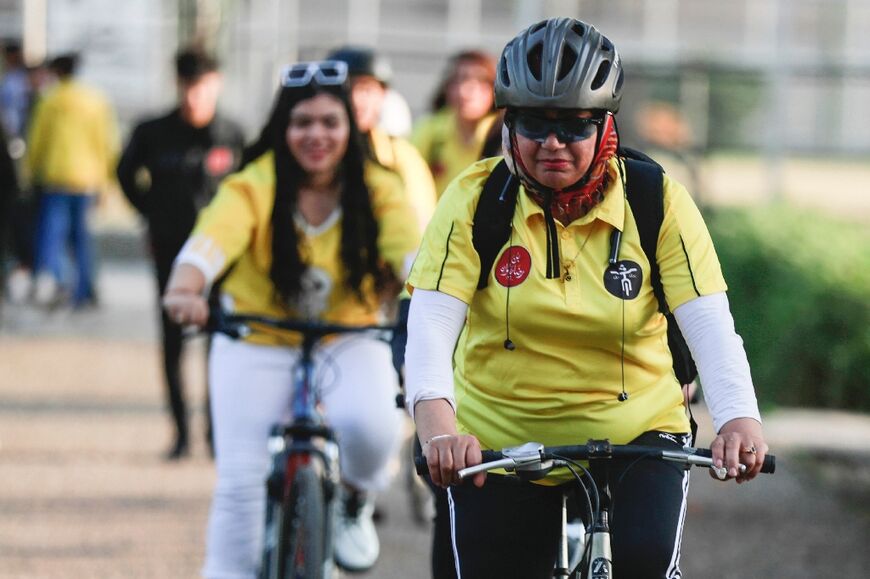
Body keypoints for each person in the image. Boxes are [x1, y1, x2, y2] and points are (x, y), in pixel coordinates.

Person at [404, 18, 768, 579]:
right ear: (508, 124)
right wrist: (438, 430)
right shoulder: (473, 200)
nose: (552, 144)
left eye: (574, 127)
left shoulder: (656, 198)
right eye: (533, 123)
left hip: (636, 430)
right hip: (501, 436)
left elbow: (710, 325)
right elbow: (429, 326)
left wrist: (739, 418)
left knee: (644, 564)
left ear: (605, 127)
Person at [162, 60, 420, 577]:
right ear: (282, 129)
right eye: (302, 122)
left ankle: (351, 502)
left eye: (331, 122)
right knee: (239, 484)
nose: (316, 135)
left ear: (352, 127)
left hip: (351, 332)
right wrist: (185, 288)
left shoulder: (379, 187)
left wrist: (433, 298)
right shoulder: (252, 184)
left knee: (373, 432)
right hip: (256, 336)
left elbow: (412, 255)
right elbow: (208, 244)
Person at [116, 49, 244, 461]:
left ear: (217, 84)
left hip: (223, 258)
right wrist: (149, 211)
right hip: (170, 252)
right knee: (172, 342)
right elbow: (123, 172)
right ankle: (181, 435)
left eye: (202, 85)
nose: (195, 95)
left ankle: (214, 434)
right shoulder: (153, 131)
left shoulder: (232, 134)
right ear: (178, 85)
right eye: (188, 86)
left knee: (218, 344)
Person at [25, 53, 118, 308]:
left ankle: (59, 281)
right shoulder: (95, 101)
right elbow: (106, 142)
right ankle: (84, 289)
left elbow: (37, 141)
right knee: (82, 237)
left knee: (52, 235)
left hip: (56, 178)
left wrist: (30, 171)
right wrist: (107, 180)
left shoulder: (50, 101)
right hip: (88, 179)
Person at [327, 46, 437, 232]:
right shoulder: (308, 150)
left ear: (383, 95)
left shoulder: (401, 156)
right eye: (346, 88)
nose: (355, 99)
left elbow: (421, 225)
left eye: (366, 89)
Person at [411, 49, 498, 196]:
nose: (465, 91)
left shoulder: (505, 136)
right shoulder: (428, 131)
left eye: (480, 81)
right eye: (458, 80)